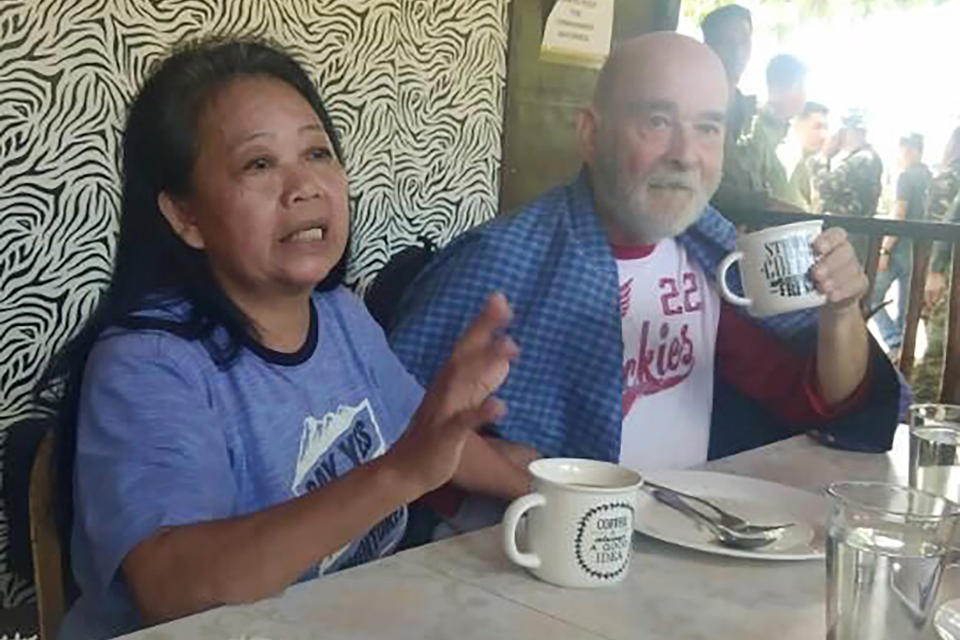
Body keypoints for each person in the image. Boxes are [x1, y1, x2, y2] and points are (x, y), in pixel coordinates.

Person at [38, 39, 531, 640]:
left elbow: (428, 442)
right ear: (185, 217)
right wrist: (398, 476)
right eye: (259, 165)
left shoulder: (342, 315)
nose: (304, 187)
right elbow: (170, 588)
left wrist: (565, 493)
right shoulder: (147, 363)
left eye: (318, 153)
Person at [390, 33, 902, 530]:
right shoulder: (498, 259)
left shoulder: (712, 261)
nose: (685, 154)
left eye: (708, 129)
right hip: (519, 552)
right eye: (658, 122)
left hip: (679, 541)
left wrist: (840, 311)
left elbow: (824, 401)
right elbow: (385, 412)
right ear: (591, 133)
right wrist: (504, 474)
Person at [716, 54, 808, 211]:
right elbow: (750, 191)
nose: (805, 96)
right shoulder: (755, 131)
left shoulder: (791, 135)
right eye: (803, 87)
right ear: (793, 87)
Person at [870, 133, 932, 357]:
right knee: (907, 309)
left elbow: (899, 214)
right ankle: (903, 352)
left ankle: (894, 341)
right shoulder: (931, 177)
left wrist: (884, 249)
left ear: (908, 150)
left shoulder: (906, 177)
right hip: (922, 251)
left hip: (900, 249)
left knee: (869, 297)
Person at [810, 109, 884, 263]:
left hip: (850, 235)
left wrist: (823, 157)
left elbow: (825, 186)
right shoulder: (867, 158)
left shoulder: (862, 159)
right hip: (855, 234)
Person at [786, 101, 830, 210]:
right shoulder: (788, 163)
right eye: (817, 127)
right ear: (797, 126)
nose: (823, 135)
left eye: (826, 128)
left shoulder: (807, 164)